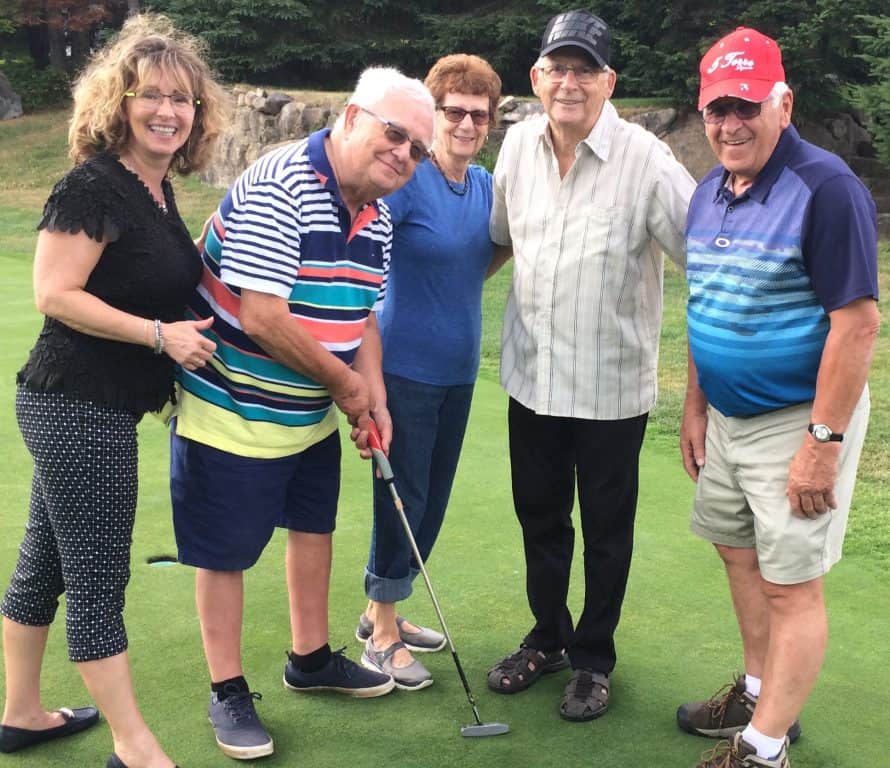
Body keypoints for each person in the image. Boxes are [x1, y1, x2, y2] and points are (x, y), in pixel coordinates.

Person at [170, 67, 435, 760]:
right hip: (232, 405)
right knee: (225, 553)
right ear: (351, 118)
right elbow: (261, 316)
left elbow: (364, 317)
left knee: (312, 527)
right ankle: (227, 689)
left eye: (417, 149)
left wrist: (371, 391)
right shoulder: (282, 185)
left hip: (307, 411)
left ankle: (310, 657)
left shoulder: (375, 214)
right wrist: (348, 388)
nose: (404, 153)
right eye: (394, 133)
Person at [0, 14, 226, 768]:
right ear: (118, 102)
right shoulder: (93, 184)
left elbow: (156, 276)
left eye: (183, 100)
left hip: (88, 406)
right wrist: (162, 338)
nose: (168, 111)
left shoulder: (154, 191)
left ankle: (23, 714)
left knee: (44, 563)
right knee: (97, 581)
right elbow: (54, 294)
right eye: (151, 95)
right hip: (76, 406)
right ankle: (137, 751)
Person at [676, 27, 879, 768]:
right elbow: (705, 307)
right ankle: (760, 691)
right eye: (716, 110)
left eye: (745, 107)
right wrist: (696, 407)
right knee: (738, 555)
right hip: (728, 419)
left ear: (782, 103)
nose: (729, 124)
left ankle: (763, 749)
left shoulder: (826, 189)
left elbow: (856, 326)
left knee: (792, 587)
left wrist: (822, 446)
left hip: (798, 422)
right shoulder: (708, 190)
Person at [485, 9, 695, 721]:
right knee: (540, 522)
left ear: (609, 82)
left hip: (611, 392)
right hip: (530, 381)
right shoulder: (515, 146)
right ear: (537, 76)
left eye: (585, 70)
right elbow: (500, 239)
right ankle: (547, 638)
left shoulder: (648, 161)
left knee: (606, 533)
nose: (569, 83)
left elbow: (706, 255)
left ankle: (594, 659)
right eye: (557, 68)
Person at [354, 54, 503, 691]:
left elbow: (487, 254)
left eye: (480, 113)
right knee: (403, 497)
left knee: (432, 499)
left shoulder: (487, 186)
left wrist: (457, 284)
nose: (467, 123)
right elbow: (362, 257)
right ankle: (382, 635)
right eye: (455, 112)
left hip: (459, 370)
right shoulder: (407, 180)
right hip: (404, 368)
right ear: (434, 116)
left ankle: (379, 608)